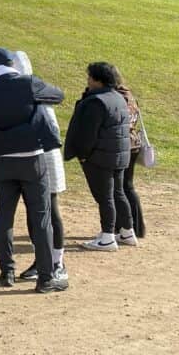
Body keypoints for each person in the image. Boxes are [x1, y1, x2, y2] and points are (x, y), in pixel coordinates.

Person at [0, 47, 68, 293]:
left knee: (4, 218)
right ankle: (46, 277)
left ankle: (6, 270)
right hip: (31, 158)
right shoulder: (28, 83)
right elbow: (58, 95)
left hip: (2, 160)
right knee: (41, 218)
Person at [64, 61, 134, 252]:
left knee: (105, 197)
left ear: (98, 80)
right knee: (118, 193)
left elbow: (88, 134)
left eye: (90, 77)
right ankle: (127, 231)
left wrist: (84, 156)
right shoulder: (119, 97)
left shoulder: (96, 102)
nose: (88, 80)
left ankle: (107, 237)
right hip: (119, 155)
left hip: (101, 157)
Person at [12, 51, 67, 282]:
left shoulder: (35, 93)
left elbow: (51, 132)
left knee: (49, 211)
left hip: (45, 157)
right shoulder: (29, 92)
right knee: (35, 213)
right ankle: (43, 258)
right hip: (32, 157)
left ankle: (57, 261)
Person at [114, 66, 146, 238]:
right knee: (128, 186)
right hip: (133, 143)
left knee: (121, 188)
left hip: (124, 145)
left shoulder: (117, 97)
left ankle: (126, 226)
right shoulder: (129, 95)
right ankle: (135, 226)